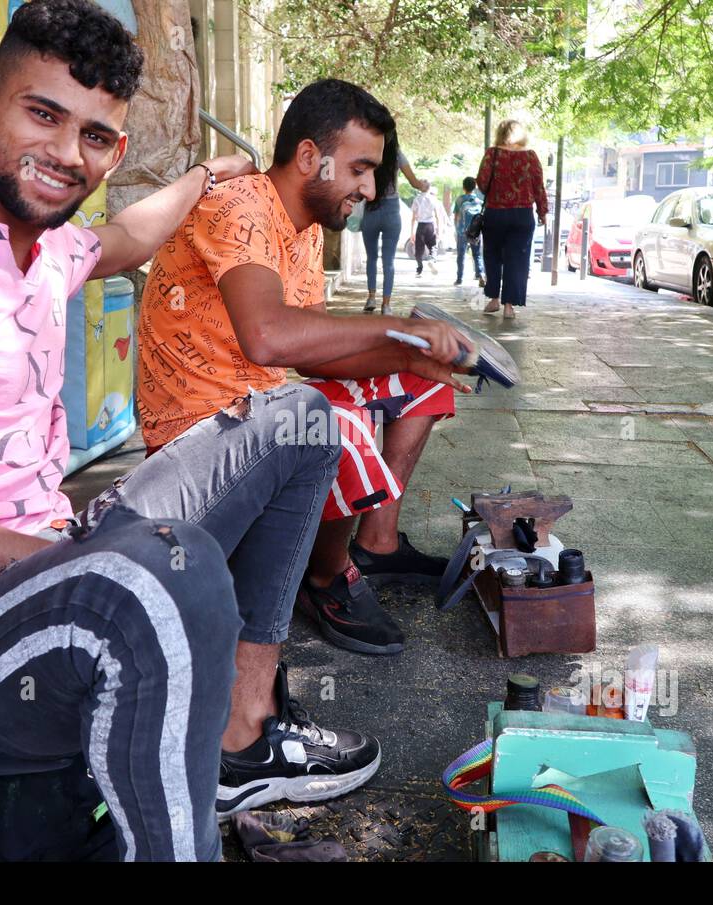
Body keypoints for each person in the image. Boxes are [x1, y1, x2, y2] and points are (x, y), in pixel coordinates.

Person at [0, 0, 356, 862]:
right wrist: (61, 560)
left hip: (48, 558)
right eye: (41, 113)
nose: (63, 153)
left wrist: (207, 175)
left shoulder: (50, 249)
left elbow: (126, 235)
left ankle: (243, 729)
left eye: (93, 135)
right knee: (168, 577)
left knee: (301, 422)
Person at [136, 79, 475, 665]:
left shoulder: (307, 228)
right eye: (361, 169)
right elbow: (269, 336)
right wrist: (398, 326)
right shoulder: (240, 204)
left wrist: (410, 357)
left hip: (255, 411)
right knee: (330, 417)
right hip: (193, 436)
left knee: (417, 382)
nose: (369, 189)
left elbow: (313, 352)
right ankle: (327, 579)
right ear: (310, 158)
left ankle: (374, 543)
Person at [476, 119, 547, 319]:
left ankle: (493, 299)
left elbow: (482, 183)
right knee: (517, 259)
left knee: (493, 256)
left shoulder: (492, 154)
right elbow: (538, 186)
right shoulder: (530, 156)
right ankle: (509, 306)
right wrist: (542, 211)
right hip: (522, 214)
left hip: (495, 213)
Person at [360, 135, 428, 314]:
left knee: (372, 257)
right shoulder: (397, 155)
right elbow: (415, 183)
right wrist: (424, 185)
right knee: (388, 260)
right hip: (391, 211)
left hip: (371, 207)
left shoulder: (369, 150)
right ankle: (386, 305)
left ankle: (371, 297)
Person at [452, 176, 485, 287]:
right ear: (475, 187)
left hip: (463, 231)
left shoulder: (459, 200)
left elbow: (456, 217)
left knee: (461, 256)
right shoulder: (479, 202)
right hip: (475, 232)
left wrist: (456, 229)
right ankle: (480, 275)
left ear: (463, 187)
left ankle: (459, 278)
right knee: (477, 255)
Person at [410, 182, 438, 275]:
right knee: (433, 247)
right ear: (429, 188)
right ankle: (431, 260)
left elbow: (414, 218)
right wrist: (438, 229)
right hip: (430, 225)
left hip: (421, 226)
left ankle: (419, 267)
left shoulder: (417, 199)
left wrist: (412, 232)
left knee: (419, 249)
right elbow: (437, 216)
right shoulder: (433, 199)